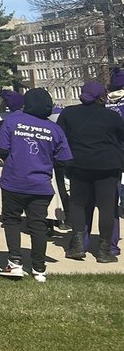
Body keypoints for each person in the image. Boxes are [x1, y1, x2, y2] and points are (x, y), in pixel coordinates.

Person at [0, 87, 72, 282]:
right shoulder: (55, 129)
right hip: (41, 184)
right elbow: (64, 159)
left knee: (11, 220)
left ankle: (14, 263)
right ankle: (39, 269)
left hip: (14, 180)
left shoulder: (12, 121)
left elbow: (1, 149)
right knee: (38, 225)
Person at [57, 81, 124, 263]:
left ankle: (78, 246)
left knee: (78, 204)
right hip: (108, 166)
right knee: (107, 207)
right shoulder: (111, 116)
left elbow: (61, 137)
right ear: (101, 96)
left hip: (79, 165)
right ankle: (104, 251)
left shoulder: (68, 113)